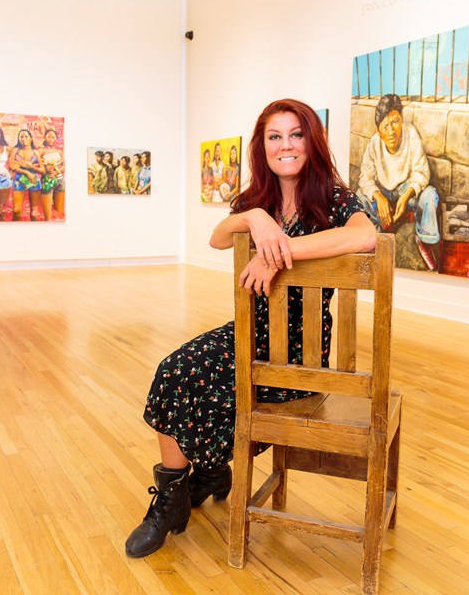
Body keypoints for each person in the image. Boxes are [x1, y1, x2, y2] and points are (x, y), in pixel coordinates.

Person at [124, 98, 376, 559]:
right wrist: (256, 219)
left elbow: (365, 236)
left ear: (312, 140)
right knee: (173, 369)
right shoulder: (254, 200)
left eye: (296, 134)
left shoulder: (335, 197)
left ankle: (210, 473)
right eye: (274, 136)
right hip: (247, 332)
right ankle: (174, 494)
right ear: (263, 146)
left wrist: (281, 249)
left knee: (222, 393)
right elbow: (218, 237)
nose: (286, 145)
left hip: (301, 351)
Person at [356, 93, 440, 270]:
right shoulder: (374, 143)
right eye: (385, 126)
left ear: (401, 119)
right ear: (379, 130)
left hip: (406, 191)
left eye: (395, 122)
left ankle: (425, 240)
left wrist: (407, 193)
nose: (391, 131)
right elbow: (365, 176)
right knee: (359, 196)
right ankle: (376, 236)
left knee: (430, 195)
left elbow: (422, 172)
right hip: (384, 192)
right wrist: (378, 196)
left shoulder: (411, 134)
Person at [8, 129, 45, 221]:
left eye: (26, 136)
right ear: (19, 138)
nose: (24, 138)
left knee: (34, 213)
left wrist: (30, 167)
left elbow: (43, 171)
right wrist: (27, 172)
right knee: (16, 211)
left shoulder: (35, 152)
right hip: (19, 180)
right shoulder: (15, 150)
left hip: (34, 180)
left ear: (31, 139)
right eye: (21, 136)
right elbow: (12, 166)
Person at [39, 128, 64, 219]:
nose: (51, 139)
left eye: (53, 137)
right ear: (45, 137)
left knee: (59, 212)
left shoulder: (59, 151)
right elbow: (37, 166)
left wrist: (56, 172)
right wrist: (46, 169)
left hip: (60, 181)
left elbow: (64, 167)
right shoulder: (41, 151)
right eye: (48, 136)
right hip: (47, 180)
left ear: (56, 139)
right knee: (47, 214)